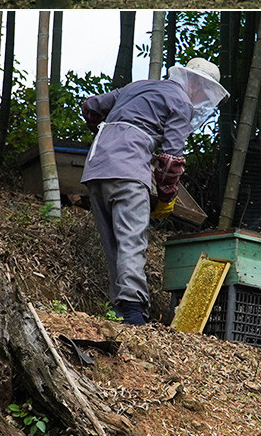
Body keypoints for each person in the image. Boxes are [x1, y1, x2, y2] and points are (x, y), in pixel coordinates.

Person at [80, 58, 229, 326]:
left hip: (96, 168)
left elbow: (91, 106)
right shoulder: (181, 102)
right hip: (129, 169)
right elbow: (171, 161)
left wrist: (109, 133)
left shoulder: (136, 87)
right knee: (131, 241)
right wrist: (166, 197)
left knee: (113, 244)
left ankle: (121, 312)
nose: (202, 98)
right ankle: (135, 313)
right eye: (204, 92)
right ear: (195, 85)